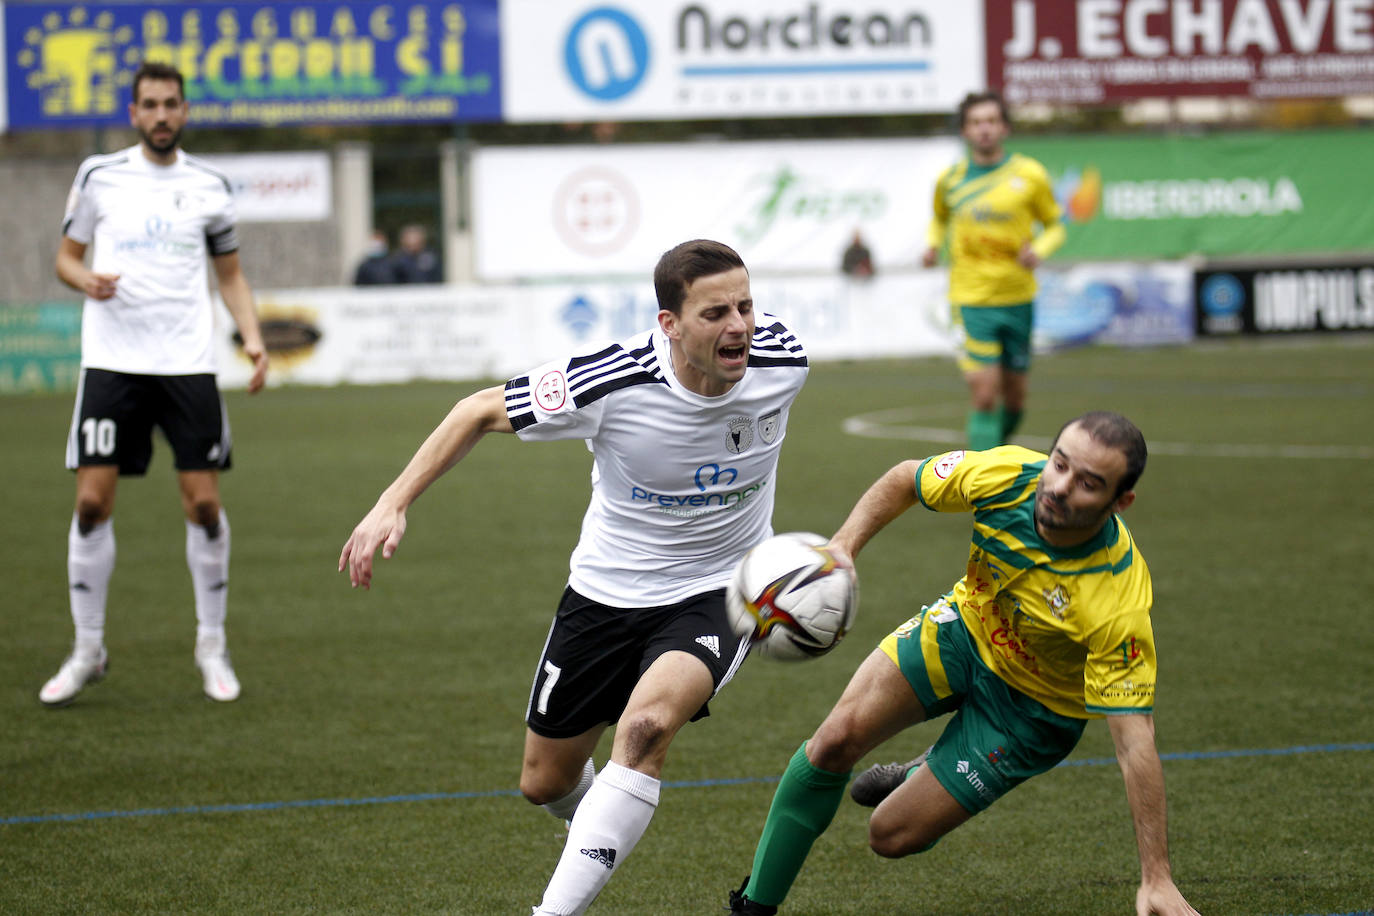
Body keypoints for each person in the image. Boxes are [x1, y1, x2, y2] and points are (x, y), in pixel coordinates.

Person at [339, 239, 808, 914]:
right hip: (607, 595)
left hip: (724, 587)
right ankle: (610, 815)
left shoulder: (783, 360)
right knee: (546, 783)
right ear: (669, 324)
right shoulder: (611, 381)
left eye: (745, 306)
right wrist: (392, 503)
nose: (738, 326)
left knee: (645, 730)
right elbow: (476, 411)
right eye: (715, 314)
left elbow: (762, 342)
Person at [727, 412, 1200, 916]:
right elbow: (906, 478)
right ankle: (753, 906)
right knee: (833, 742)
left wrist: (1156, 878)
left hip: (1031, 715)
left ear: (1119, 501)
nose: (1060, 487)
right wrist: (842, 547)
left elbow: (1134, 742)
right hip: (964, 630)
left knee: (888, 835)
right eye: (1059, 464)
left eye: (1087, 484)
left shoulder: (1117, 600)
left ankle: (925, 770)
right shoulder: (1008, 475)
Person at [40, 61, 269, 707]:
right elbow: (65, 256)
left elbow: (229, 275)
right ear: (134, 112)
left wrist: (251, 337)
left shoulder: (210, 186)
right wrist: (83, 279)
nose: (162, 114)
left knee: (202, 506)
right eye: (150, 104)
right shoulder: (99, 175)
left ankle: (212, 645)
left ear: (185, 111)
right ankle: (88, 649)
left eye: (172, 103)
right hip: (112, 362)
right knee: (91, 504)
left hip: (188, 365)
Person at [922, 90, 1065, 451]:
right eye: (975, 122)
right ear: (965, 131)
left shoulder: (1029, 174)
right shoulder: (950, 180)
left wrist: (1041, 248)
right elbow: (939, 220)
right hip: (970, 299)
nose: (983, 129)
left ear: (1004, 127)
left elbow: (1055, 225)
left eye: (990, 121)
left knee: (1015, 402)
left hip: (1018, 298)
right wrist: (932, 245)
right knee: (985, 395)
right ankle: (980, 484)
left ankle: (992, 462)